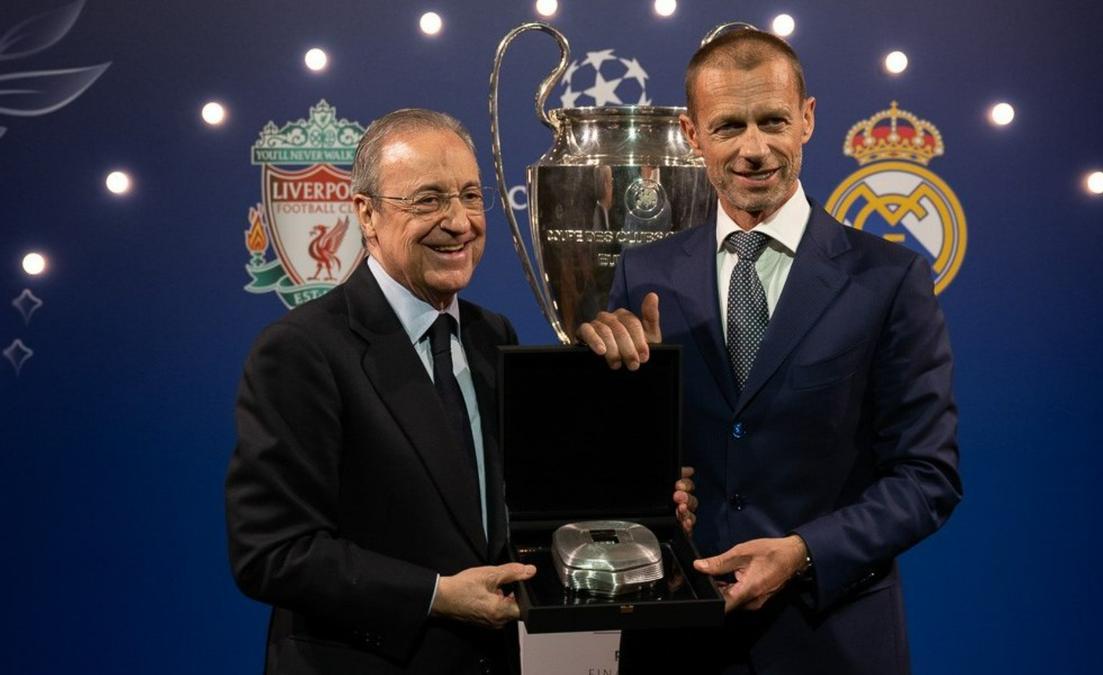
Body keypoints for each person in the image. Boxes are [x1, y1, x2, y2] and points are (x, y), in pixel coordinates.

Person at [580, 29, 962, 674]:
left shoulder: (890, 279)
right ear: (692, 135)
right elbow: (625, 470)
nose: (754, 149)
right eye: (728, 126)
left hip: (831, 636)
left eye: (773, 121)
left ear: (807, 120)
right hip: (678, 635)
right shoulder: (643, 276)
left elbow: (928, 477)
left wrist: (803, 552)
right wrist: (641, 488)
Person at [225, 108, 534, 675]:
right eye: (428, 200)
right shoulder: (302, 349)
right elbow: (271, 552)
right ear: (365, 213)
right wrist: (436, 594)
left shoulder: (495, 336)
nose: (460, 221)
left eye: (470, 195)